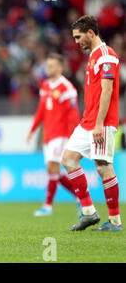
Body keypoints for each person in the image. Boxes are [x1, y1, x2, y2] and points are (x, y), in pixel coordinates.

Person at [62, 15, 122, 231]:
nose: (76, 42)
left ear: (90, 33)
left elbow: (107, 91)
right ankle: (88, 212)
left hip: (102, 123)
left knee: (103, 167)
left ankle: (115, 221)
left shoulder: (106, 55)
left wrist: (99, 124)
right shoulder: (94, 57)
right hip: (87, 120)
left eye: (78, 37)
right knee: (68, 159)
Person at [27, 53, 81, 217]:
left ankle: (47, 206)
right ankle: (80, 197)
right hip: (48, 135)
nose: (48, 68)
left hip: (61, 134)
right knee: (54, 171)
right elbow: (41, 110)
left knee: (52, 167)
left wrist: (75, 135)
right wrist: (33, 129)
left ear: (60, 68)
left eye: (51, 66)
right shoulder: (44, 85)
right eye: (47, 65)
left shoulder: (67, 88)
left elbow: (73, 115)